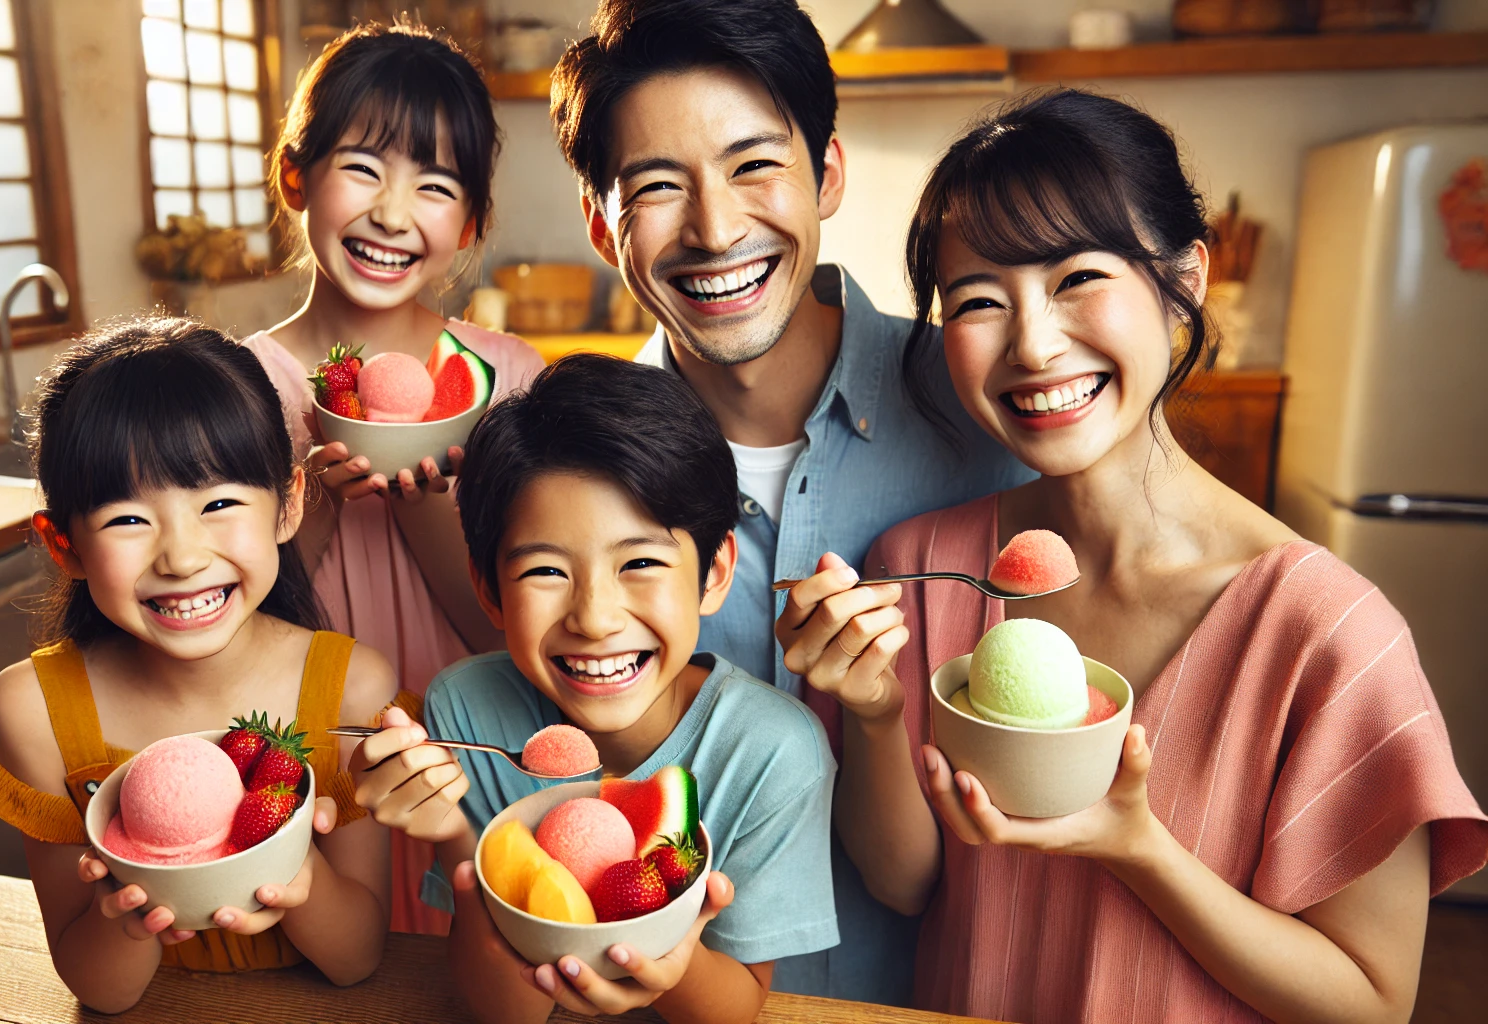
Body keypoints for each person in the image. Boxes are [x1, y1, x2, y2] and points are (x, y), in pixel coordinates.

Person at [777, 90, 1488, 1024]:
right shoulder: (922, 562)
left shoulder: (1329, 636)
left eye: (1077, 278)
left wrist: (1138, 847)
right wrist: (874, 713)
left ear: (1184, 279)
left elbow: (1371, 1004)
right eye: (980, 300)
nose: (1032, 344)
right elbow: (907, 885)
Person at [546, 0, 1029, 1001]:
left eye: (754, 164)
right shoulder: (563, 468)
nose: (716, 229)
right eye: (657, 187)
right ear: (603, 226)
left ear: (829, 175)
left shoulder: (987, 404)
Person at [349, 355, 840, 1023]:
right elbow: (505, 1014)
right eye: (546, 571)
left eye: (639, 562)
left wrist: (666, 954)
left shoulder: (776, 752)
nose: (594, 618)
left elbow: (735, 1011)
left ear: (715, 570)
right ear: (489, 589)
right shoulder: (466, 711)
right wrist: (453, 835)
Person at [0, 319, 405, 1012]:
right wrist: (122, 920)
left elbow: (356, 960)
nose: (182, 558)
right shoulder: (33, 709)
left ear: (289, 505)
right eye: (128, 519)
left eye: (219, 503)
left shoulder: (353, 687)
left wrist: (297, 873)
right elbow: (100, 992)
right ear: (62, 545)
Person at [240, 22, 543, 934]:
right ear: (298, 177)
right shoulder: (236, 388)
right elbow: (226, 631)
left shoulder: (514, 380)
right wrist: (317, 509)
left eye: (437, 186)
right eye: (362, 168)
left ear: (473, 222)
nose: (392, 212)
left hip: (479, 756)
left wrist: (427, 508)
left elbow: (524, 627)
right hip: (309, 760)